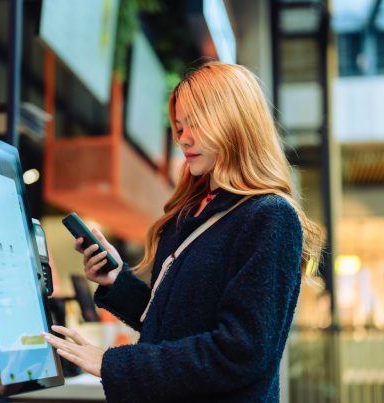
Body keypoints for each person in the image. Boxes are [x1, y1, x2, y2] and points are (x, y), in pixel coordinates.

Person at [42, 61, 323, 402]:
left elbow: (238, 353)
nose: (183, 139)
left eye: (196, 124)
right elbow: (171, 325)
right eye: (179, 126)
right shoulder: (190, 213)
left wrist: (113, 364)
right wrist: (116, 282)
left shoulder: (270, 218)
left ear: (234, 122)